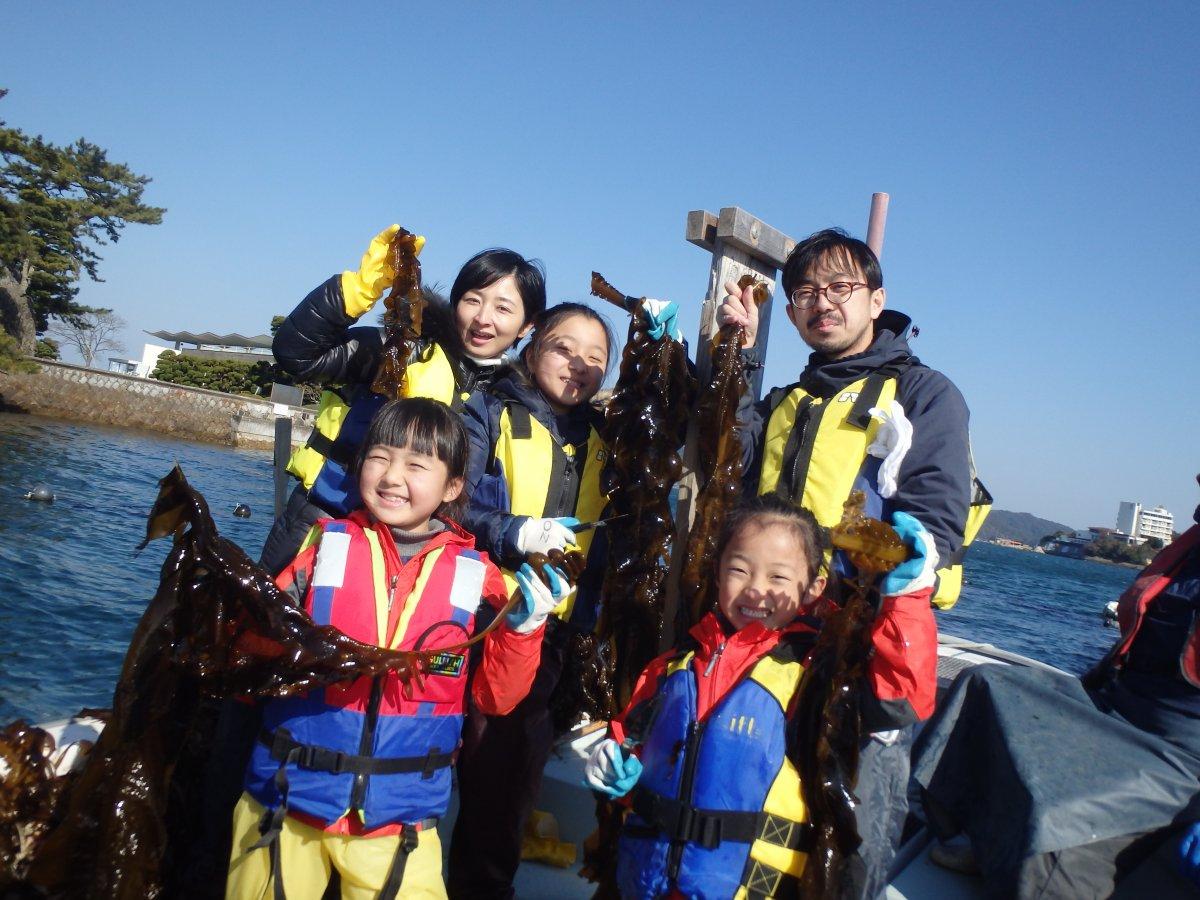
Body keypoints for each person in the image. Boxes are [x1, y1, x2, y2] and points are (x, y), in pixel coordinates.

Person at [717, 227, 986, 898]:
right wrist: (739, 354)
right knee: (753, 808)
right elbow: (737, 467)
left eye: (841, 288)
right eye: (805, 291)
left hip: (863, 648)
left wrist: (900, 542)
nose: (822, 303)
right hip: (767, 634)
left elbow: (936, 523)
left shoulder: (926, 396)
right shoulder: (790, 399)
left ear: (877, 300)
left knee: (851, 827)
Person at [224, 398, 560, 900]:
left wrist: (525, 626)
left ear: (452, 488)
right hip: (283, 804)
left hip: (400, 821)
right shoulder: (320, 549)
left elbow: (497, 699)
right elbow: (248, 661)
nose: (391, 476)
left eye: (417, 465)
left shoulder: (482, 579)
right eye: (379, 457)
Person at [584, 494, 937, 899]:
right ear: (717, 573)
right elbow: (632, 742)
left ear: (813, 588)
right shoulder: (669, 668)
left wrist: (908, 598)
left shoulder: (817, 677)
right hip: (644, 884)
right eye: (739, 569)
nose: (755, 590)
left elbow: (902, 698)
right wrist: (612, 764)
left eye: (778, 578)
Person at [913, 474, 1200, 897]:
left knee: (1059, 823)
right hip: (1114, 704)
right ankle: (986, 839)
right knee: (984, 685)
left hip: (1179, 755)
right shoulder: (1190, 548)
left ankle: (1030, 866)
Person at [447, 302, 617, 899]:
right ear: (532, 345)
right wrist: (514, 530)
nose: (579, 365)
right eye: (564, 348)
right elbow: (450, 500)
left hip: (552, 635)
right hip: (475, 620)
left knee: (509, 774)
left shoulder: (607, 441)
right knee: (449, 753)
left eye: (596, 358)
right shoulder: (486, 412)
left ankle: (481, 885)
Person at [261, 225, 547, 576]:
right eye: (473, 299)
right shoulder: (403, 349)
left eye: (503, 308)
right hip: (322, 526)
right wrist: (359, 288)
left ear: (526, 327)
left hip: (418, 560)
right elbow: (297, 353)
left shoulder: (511, 402)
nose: (483, 318)